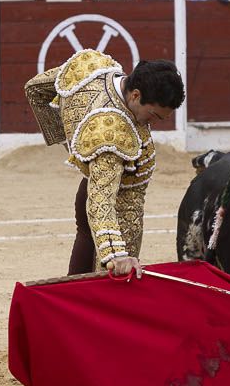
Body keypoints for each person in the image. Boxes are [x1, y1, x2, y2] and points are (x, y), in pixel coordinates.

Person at [23, 50, 186, 277]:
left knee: (79, 276)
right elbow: (101, 201)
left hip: (87, 188)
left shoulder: (93, 67)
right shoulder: (111, 133)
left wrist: (69, 142)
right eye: (153, 115)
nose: (154, 123)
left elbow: (35, 89)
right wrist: (115, 254)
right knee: (110, 293)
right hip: (116, 213)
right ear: (136, 95)